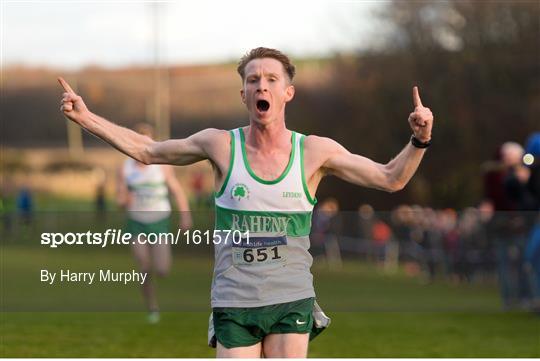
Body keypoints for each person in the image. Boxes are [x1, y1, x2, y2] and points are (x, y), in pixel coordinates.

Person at [58, 47, 433, 358]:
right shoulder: (220, 145)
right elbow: (148, 150)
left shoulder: (314, 152)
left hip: (291, 298)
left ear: (288, 93)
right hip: (234, 300)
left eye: (271, 79)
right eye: (252, 80)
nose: (261, 86)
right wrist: (86, 117)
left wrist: (419, 140)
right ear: (243, 95)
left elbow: (391, 177)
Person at [116, 122, 193, 323]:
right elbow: (119, 199)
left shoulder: (162, 166)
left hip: (159, 221)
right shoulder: (125, 168)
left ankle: (156, 278)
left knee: (162, 269)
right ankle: (152, 307)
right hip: (136, 222)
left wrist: (185, 215)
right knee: (144, 266)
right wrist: (125, 200)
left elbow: (176, 190)